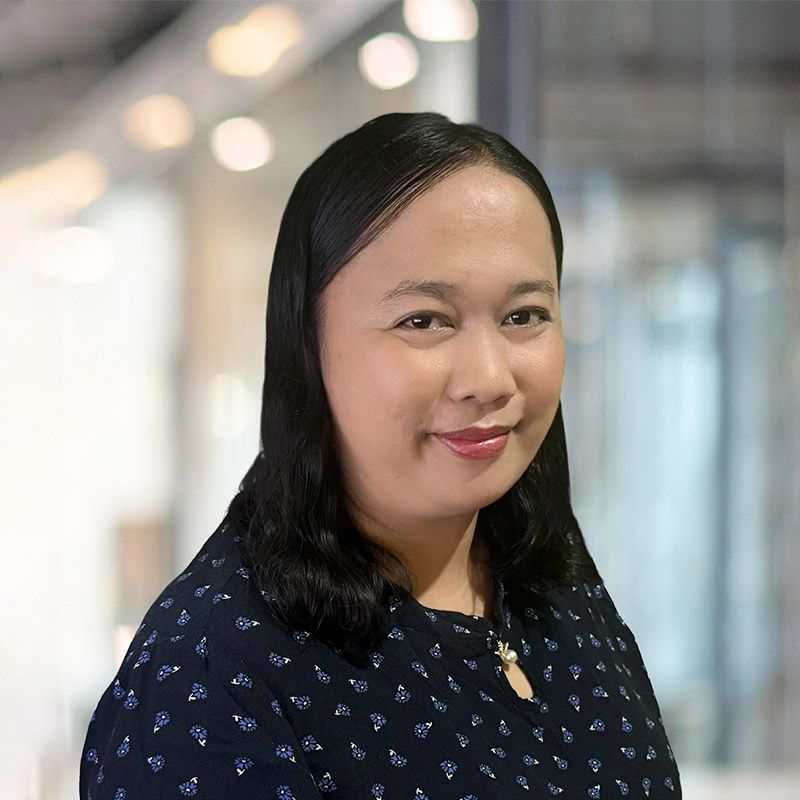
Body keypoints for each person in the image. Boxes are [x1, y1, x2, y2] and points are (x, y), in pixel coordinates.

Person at [79, 111, 682, 799]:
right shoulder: (212, 675)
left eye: (524, 316)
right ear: (307, 347)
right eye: (423, 321)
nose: (489, 378)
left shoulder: (544, 575)